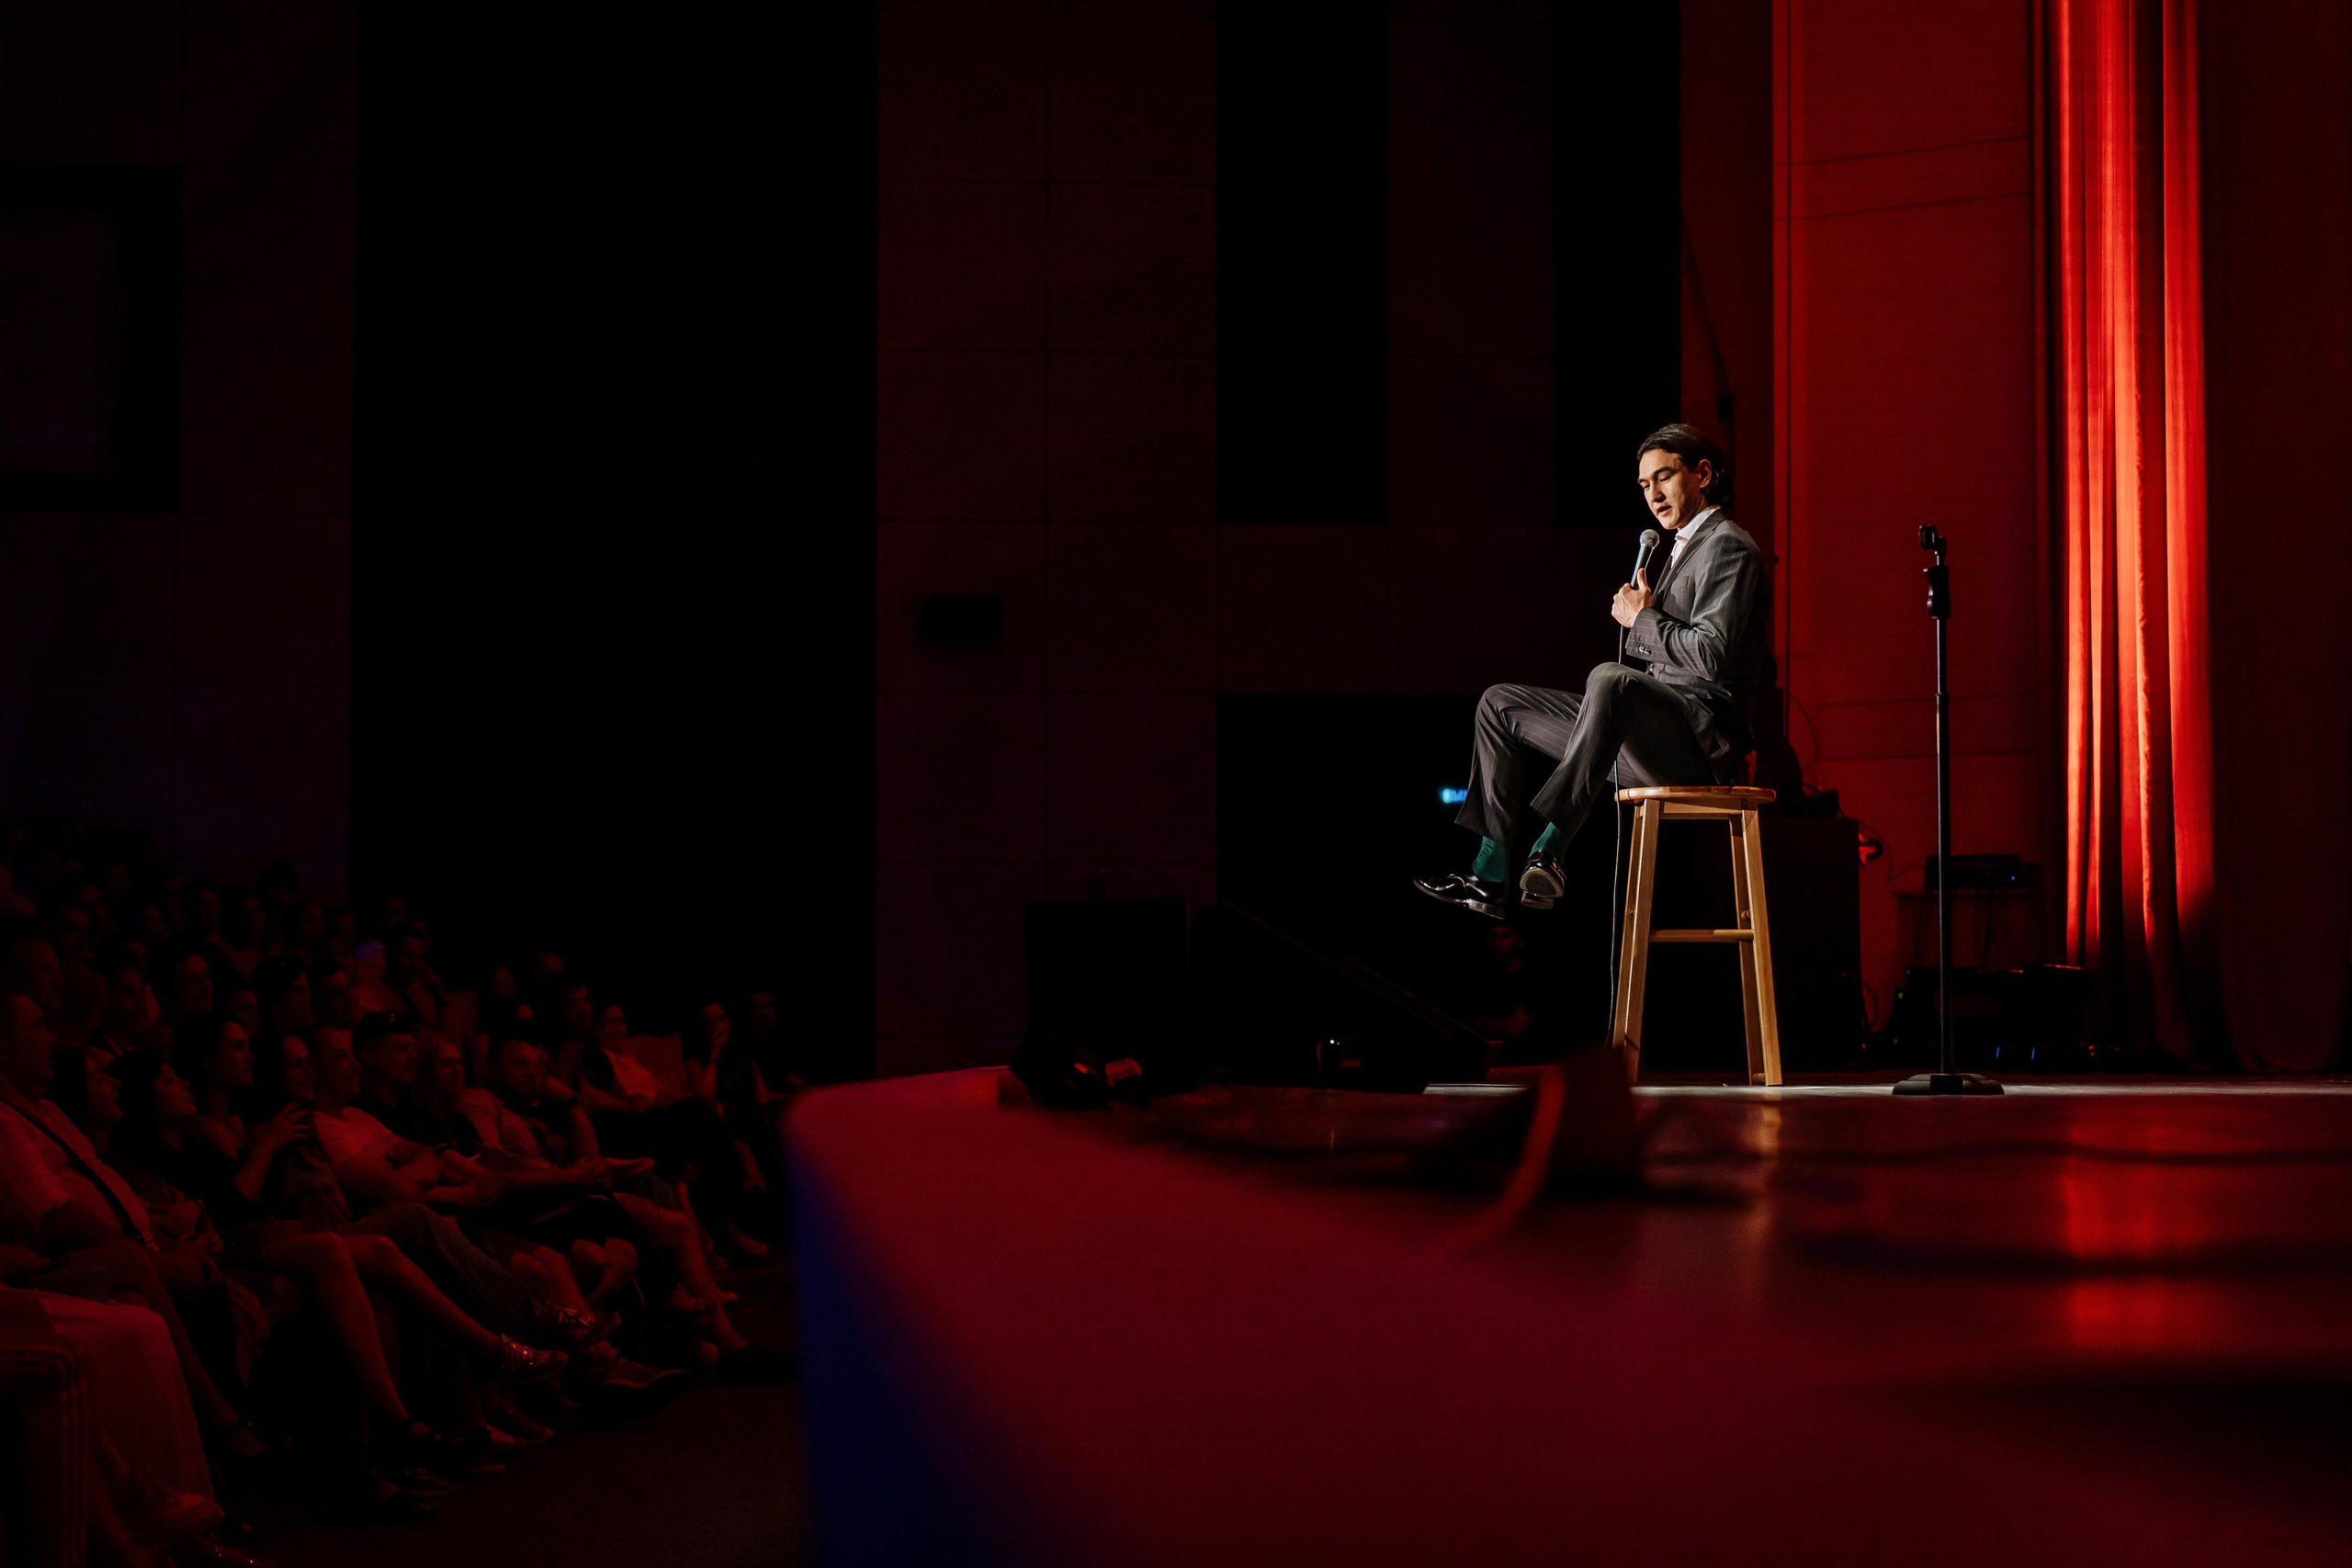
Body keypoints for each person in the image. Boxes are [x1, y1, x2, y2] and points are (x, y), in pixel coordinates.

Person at [1417, 423, 1772, 919]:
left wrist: (1641, 619)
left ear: (1703, 474)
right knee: (1499, 703)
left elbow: (1712, 657)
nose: (1654, 495)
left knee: (1609, 677)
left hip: (1696, 745)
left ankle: (1551, 849)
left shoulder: (1727, 546)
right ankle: (1490, 872)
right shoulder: (1678, 548)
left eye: (1665, 477)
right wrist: (1646, 618)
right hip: (1644, 738)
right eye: (1645, 486)